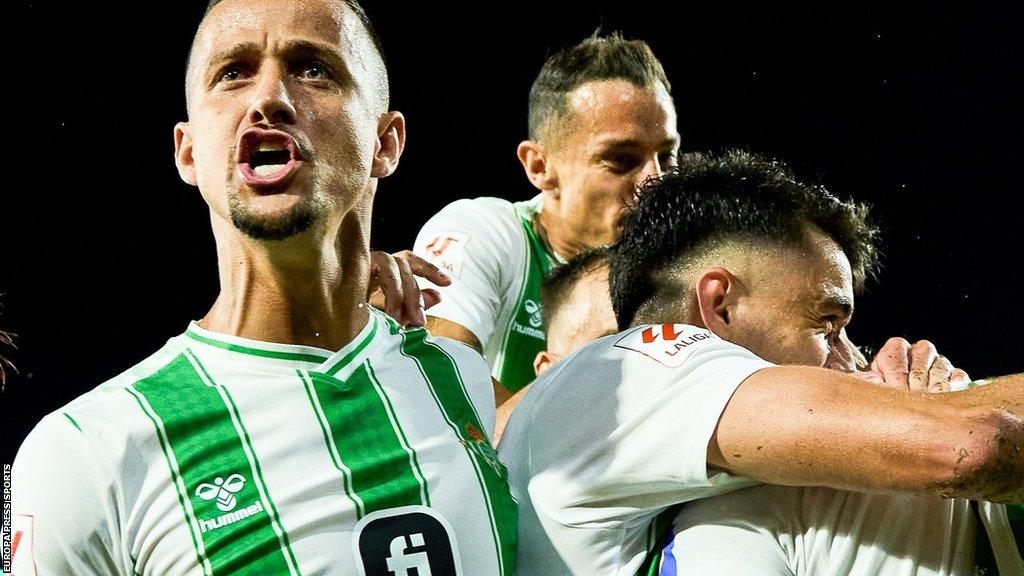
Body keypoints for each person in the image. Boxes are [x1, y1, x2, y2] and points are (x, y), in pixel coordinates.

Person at [10, 1, 516, 574]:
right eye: (233, 73)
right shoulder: (85, 451)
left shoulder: (456, 377)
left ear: (387, 143)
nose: (269, 98)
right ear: (188, 151)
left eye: (312, 68)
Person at [497, 150, 1024, 574]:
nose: (853, 362)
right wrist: (942, 409)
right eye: (826, 324)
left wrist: (950, 400)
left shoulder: (679, 461)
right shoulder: (634, 366)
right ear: (719, 304)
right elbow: (969, 448)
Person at [413, 33, 681, 403]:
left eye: (666, 157)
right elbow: (439, 381)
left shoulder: (685, 261)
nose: (655, 182)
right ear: (539, 166)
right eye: (621, 159)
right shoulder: (481, 232)